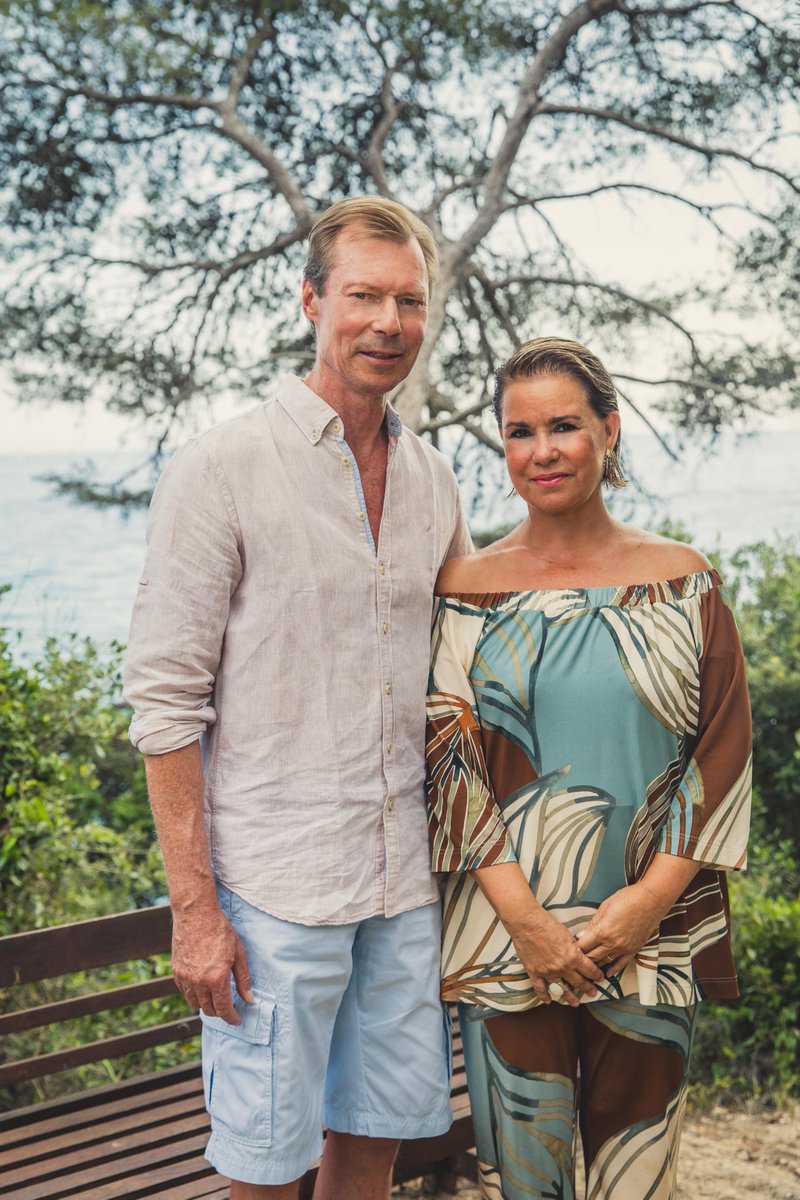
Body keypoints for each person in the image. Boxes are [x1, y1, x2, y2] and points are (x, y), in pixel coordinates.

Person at [123, 196, 472, 1200]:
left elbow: (466, 665)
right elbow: (164, 704)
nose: (388, 322)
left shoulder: (433, 478)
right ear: (313, 301)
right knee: (268, 1169)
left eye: (409, 301)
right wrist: (195, 912)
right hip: (273, 891)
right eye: (363, 295)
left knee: (375, 1143)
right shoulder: (222, 466)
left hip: (403, 885)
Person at [425, 337, 751, 1200]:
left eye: (564, 426)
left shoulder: (683, 582)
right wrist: (527, 920)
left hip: (651, 928)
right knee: (523, 1182)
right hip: (504, 937)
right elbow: (449, 766)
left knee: (637, 1179)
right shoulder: (464, 588)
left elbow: (722, 751)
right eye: (520, 431)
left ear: (609, 430)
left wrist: (648, 903)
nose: (543, 451)